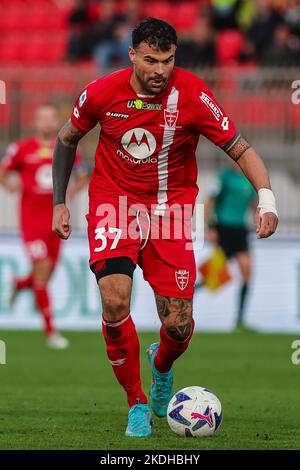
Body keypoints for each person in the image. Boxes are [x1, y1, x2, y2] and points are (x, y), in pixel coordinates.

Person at [52, 18, 278, 437]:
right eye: (151, 60)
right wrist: (59, 202)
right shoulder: (101, 93)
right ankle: (136, 402)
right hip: (113, 205)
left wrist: (266, 198)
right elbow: (66, 139)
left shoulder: (193, 94)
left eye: (168, 60)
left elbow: (241, 148)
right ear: (132, 55)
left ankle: (162, 365)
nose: (160, 70)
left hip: (170, 213)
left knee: (178, 323)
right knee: (115, 301)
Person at [0, 105, 88, 349]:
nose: (48, 123)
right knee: (43, 266)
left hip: (56, 220)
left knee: (45, 276)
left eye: (52, 118)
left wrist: (74, 189)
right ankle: (51, 331)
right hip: (31, 222)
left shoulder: (68, 147)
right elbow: (3, 171)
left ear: (57, 121)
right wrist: (9, 185)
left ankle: (20, 284)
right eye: (43, 119)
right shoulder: (21, 148)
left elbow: (82, 175)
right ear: (36, 122)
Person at [200, 164, 257, 330]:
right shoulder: (224, 177)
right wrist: (211, 227)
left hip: (240, 231)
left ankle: (240, 320)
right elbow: (210, 200)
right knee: (213, 277)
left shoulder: (249, 179)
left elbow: (253, 203)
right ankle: (185, 302)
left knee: (247, 269)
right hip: (224, 228)